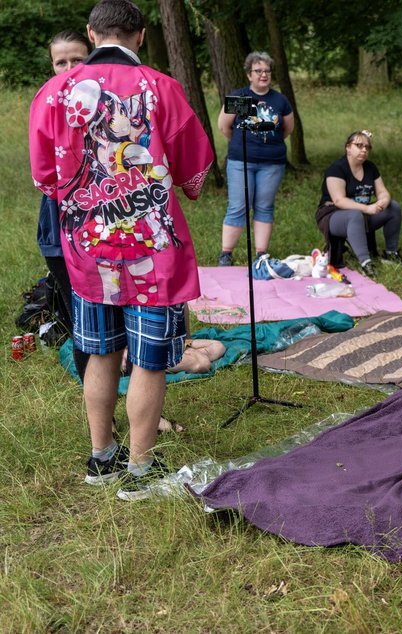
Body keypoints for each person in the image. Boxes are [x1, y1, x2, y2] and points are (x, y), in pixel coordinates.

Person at [29, 0, 214, 500]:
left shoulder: (53, 93)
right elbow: (196, 170)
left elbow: (46, 178)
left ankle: (101, 458)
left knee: (101, 352)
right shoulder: (162, 88)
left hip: (87, 253)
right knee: (149, 361)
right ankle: (139, 470)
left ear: (91, 34)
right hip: (155, 254)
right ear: (142, 36)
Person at [36, 31, 91, 382]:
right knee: (84, 321)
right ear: (52, 65)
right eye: (61, 62)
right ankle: (102, 417)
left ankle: (138, 403)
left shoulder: (110, 101)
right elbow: (42, 174)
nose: (70, 68)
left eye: (78, 60)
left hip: (109, 227)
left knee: (114, 320)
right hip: (61, 227)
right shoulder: (46, 102)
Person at [217, 51, 294, 266]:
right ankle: (226, 253)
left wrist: (267, 141)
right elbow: (224, 126)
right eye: (258, 71)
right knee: (238, 206)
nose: (263, 75)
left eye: (267, 71)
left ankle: (261, 254)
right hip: (240, 162)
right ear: (249, 75)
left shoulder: (280, 100)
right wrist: (242, 143)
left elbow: (287, 129)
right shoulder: (240, 97)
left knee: (264, 206)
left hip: (272, 163)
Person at [315, 130, 402, 279]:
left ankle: (391, 253)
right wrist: (368, 208)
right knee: (355, 216)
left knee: (393, 207)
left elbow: (382, 191)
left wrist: (383, 201)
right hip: (332, 215)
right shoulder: (336, 169)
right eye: (359, 145)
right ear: (348, 148)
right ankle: (366, 263)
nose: (364, 149)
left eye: (367, 147)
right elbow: (339, 200)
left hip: (361, 213)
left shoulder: (370, 167)